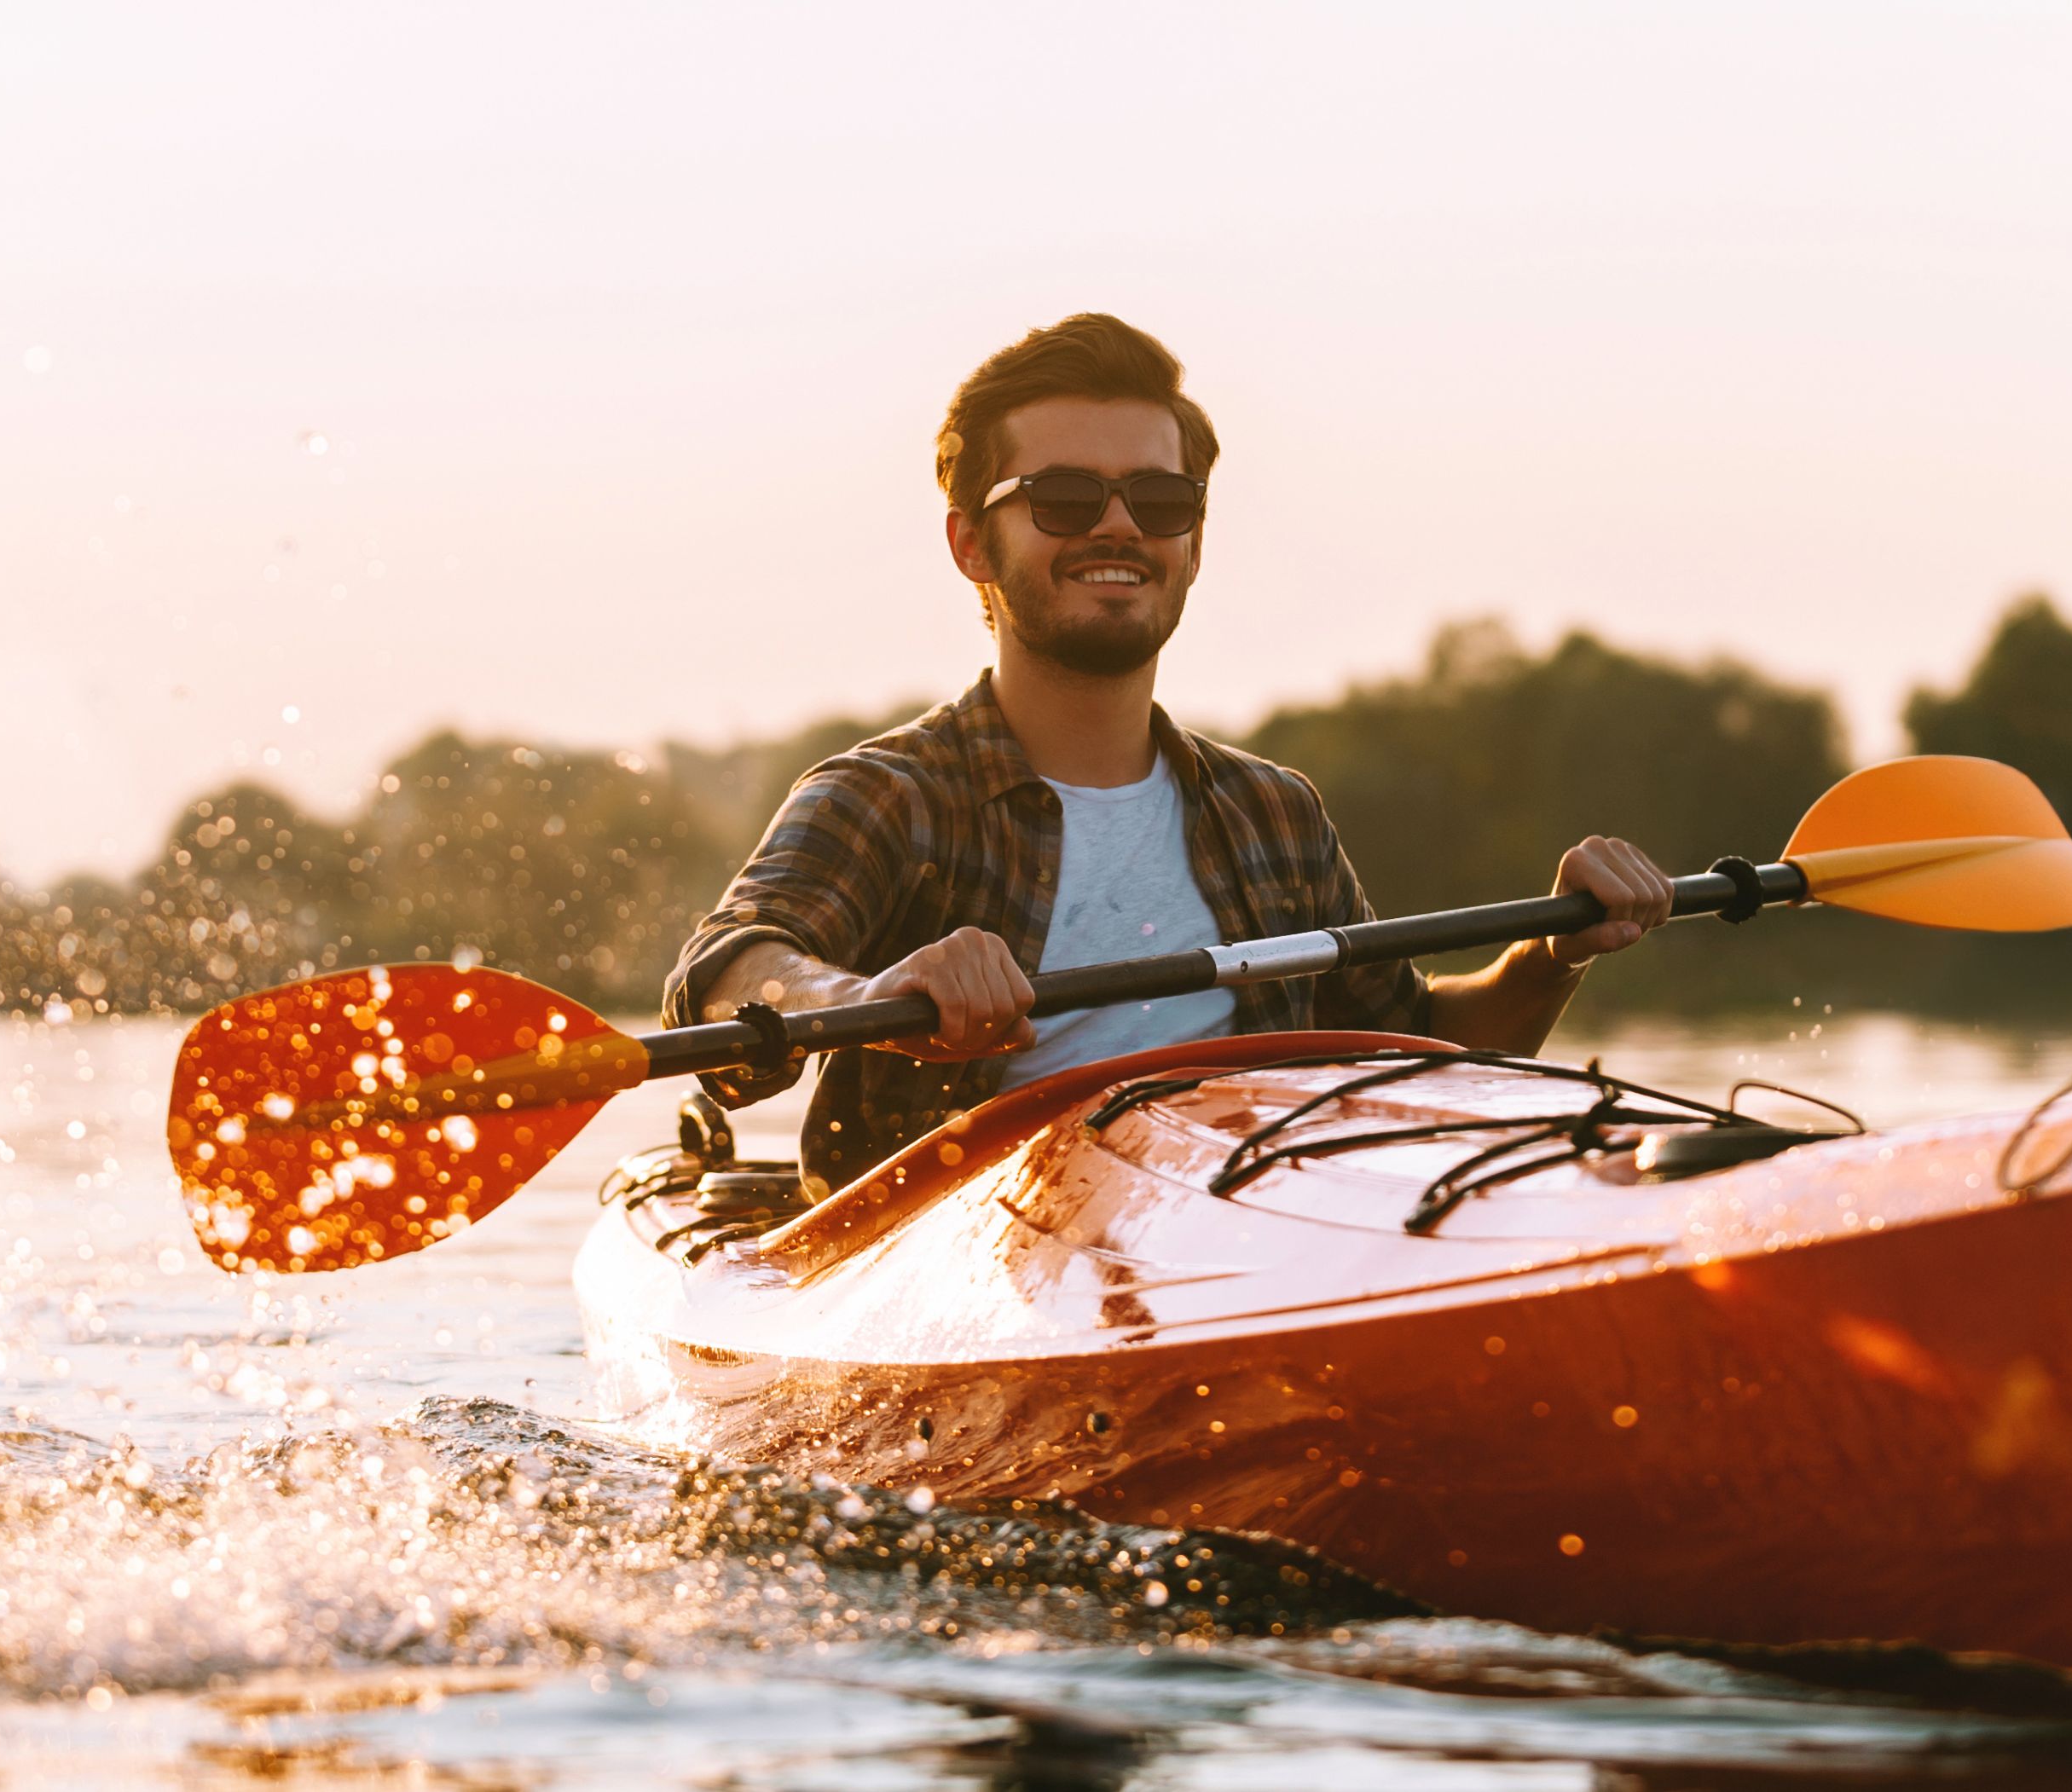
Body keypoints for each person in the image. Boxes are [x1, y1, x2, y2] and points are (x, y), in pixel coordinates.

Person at [663, 314, 1674, 1194]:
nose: (1117, 526)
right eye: (1062, 497)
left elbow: (1422, 1049)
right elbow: (728, 970)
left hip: (1247, 1239)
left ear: (1192, 542)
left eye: (1160, 500)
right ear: (972, 545)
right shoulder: (886, 797)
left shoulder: (1274, 812)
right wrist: (866, 999)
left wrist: (1555, 950)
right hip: (955, 1273)